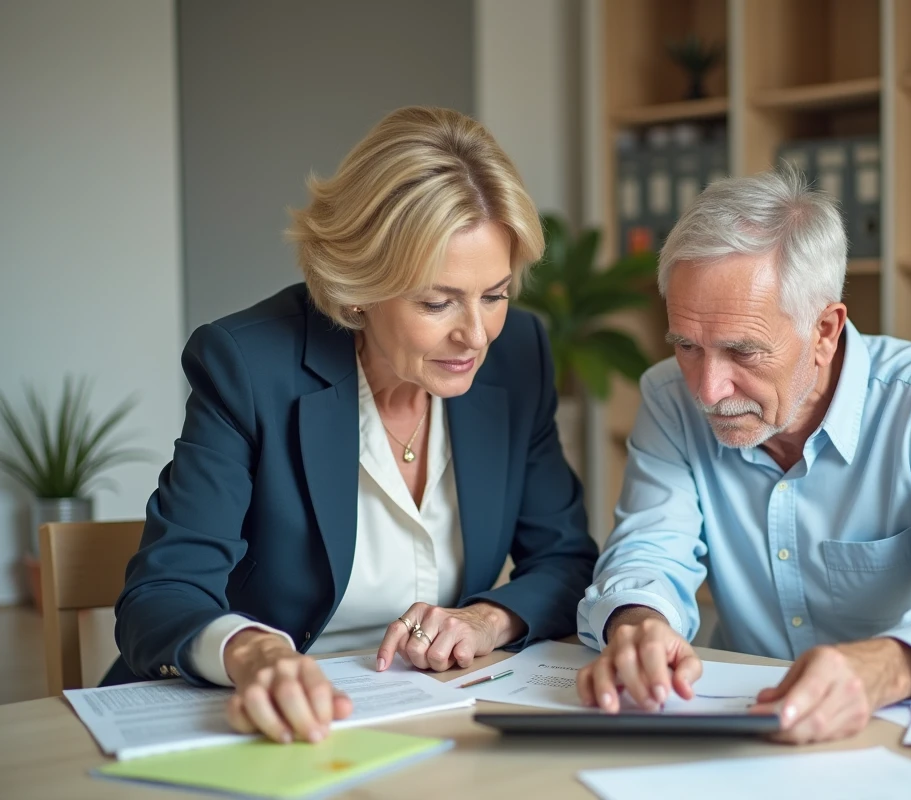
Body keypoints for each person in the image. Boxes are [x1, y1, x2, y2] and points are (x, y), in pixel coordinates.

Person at [106, 106, 598, 745]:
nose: (475, 336)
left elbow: (565, 560)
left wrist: (486, 619)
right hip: (255, 724)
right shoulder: (249, 366)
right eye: (437, 301)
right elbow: (162, 592)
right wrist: (254, 653)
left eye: (495, 295)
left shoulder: (520, 354)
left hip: (430, 718)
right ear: (358, 287)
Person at [575, 168, 911, 743]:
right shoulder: (669, 398)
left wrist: (880, 668)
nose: (707, 390)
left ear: (825, 330)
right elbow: (651, 552)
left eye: (742, 350)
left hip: (897, 724)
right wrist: (638, 621)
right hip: (743, 730)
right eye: (688, 346)